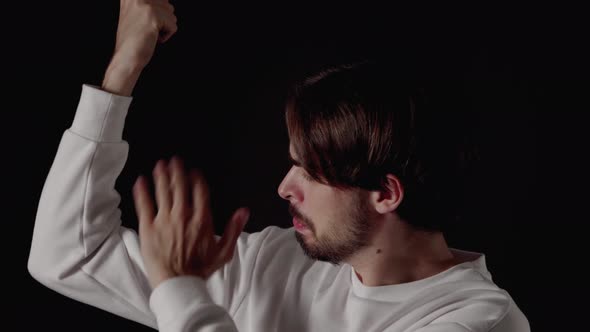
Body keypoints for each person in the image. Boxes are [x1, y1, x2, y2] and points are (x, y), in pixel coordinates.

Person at [27, 0, 531, 331]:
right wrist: (122, 70)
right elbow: (67, 253)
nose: (284, 187)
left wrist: (179, 292)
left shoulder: (478, 321)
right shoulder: (272, 264)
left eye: (310, 172)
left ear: (386, 192)